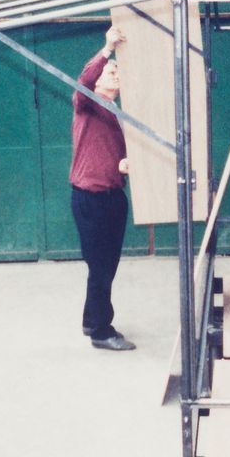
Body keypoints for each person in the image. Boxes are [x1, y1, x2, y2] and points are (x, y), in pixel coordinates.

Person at [70, 25, 135, 351]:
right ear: (97, 82)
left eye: (117, 72)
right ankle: (101, 331)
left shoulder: (117, 113)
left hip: (112, 196)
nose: (116, 75)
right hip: (90, 198)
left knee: (103, 264)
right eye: (111, 71)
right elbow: (81, 83)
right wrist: (107, 49)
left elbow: (111, 153)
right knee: (101, 266)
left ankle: (89, 318)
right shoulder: (87, 104)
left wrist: (123, 165)